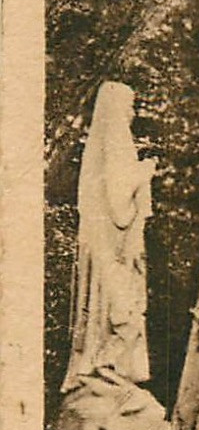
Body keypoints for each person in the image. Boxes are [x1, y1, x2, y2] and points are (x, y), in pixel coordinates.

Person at [64, 81, 159, 392]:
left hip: (102, 246)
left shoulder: (101, 148)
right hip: (113, 248)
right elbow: (120, 205)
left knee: (108, 302)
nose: (132, 113)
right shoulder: (117, 144)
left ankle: (101, 360)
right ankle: (110, 363)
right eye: (129, 106)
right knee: (119, 304)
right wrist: (146, 170)